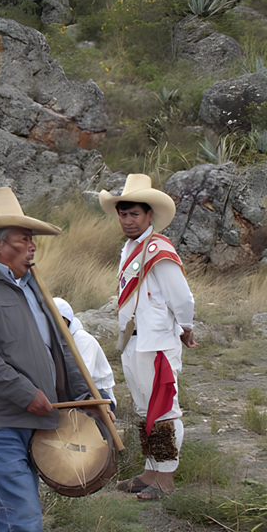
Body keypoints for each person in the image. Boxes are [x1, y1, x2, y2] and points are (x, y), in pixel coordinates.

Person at [0, 187, 94, 532]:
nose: (33, 246)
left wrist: (83, 396)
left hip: (32, 419)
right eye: (24, 239)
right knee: (21, 513)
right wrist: (26, 394)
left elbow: (59, 346)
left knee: (3, 506)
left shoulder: (31, 286)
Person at [98, 173, 196, 500]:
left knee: (165, 409)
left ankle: (165, 481)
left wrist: (185, 327)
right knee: (145, 408)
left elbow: (182, 298)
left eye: (134, 214)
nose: (127, 220)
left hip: (156, 342)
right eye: (123, 214)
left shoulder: (158, 249)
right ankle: (151, 471)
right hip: (134, 341)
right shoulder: (130, 248)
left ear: (149, 214)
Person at [53, 298, 115, 409]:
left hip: (96, 391)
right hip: (71, 391)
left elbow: (83, 379)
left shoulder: (82, 339)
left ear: (65, 320)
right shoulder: (54, 339)